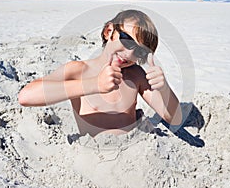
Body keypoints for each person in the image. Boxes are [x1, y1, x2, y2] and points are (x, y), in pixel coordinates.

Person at [18, 9, 182, 137]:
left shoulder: (136, 75)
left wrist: (164, 87)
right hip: (95, 155)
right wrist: (94, 84)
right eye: (127, 41)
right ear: (109, 31)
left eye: (140, 51)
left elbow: (174, 119)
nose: (130, 54)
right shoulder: (78, 70)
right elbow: (26, 97)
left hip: (134, 153)